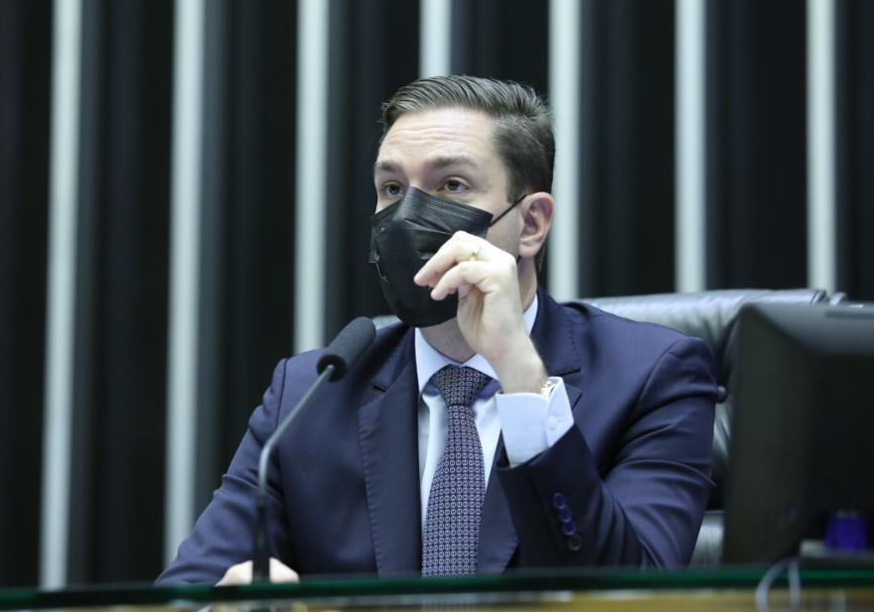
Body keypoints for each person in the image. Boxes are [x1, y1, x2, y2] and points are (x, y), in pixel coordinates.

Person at [157, 76, 716, 585]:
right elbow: (182, 596)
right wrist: (225, 611)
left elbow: (631, 597)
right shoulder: (311, 393)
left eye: (451, 185)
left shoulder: (652, 377)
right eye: (392, 189)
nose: (407, 217)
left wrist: (522, 378)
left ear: (531, 223)